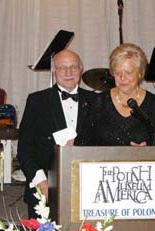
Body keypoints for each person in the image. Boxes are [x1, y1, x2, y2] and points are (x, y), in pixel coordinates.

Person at [17, 49, 96, 218]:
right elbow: (25, 148)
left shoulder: (97, 101)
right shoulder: (37, 100)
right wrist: (41, 182)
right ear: (54, 70)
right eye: (62, 67)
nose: (68, 72)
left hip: (88, 189)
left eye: (73, 67)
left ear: (81, 70)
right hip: (45, 187)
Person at [79, 43, 155, 146]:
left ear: (140, 73)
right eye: (117, 73)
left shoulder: (153, 104)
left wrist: (148, 151)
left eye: (128, 73)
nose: (122, 78)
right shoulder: (98, 102)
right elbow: (83, 144)